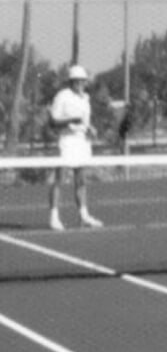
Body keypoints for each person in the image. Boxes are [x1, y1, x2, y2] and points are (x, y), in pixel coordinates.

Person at [48, 65, 103, 231]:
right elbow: (53, 121)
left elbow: (85, 122)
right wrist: (71, 120)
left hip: (82, 142)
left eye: (82, 81)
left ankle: (84, 215)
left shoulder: (86, 98)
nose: (80, 83)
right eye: (76, 81)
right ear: (71, 81)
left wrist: (91, 129)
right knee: (59, 179)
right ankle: (54, 217)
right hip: (66, 141)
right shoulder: (62, 96)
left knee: (81, 180)